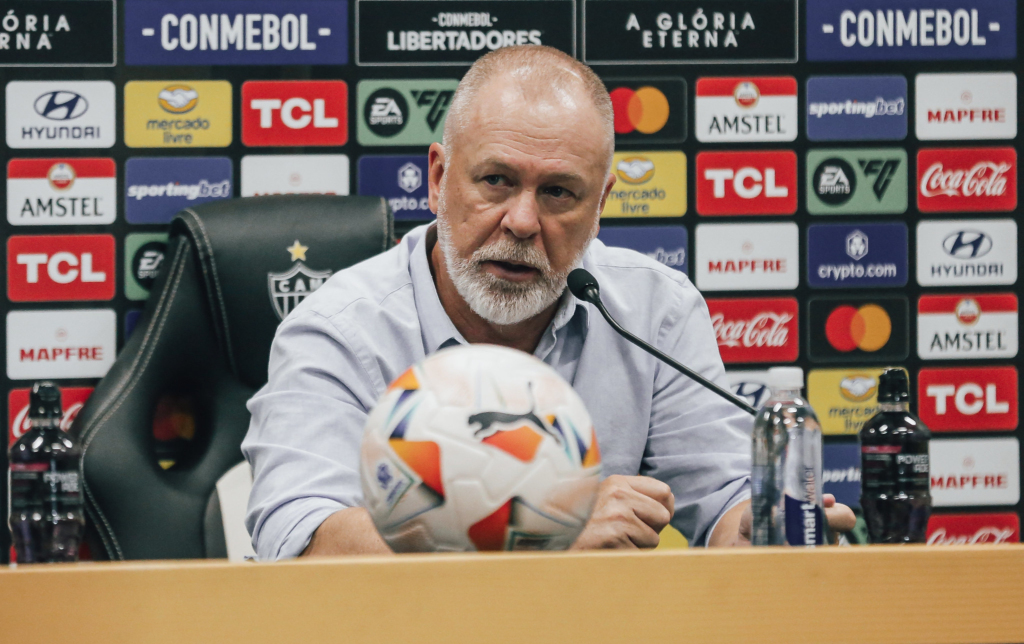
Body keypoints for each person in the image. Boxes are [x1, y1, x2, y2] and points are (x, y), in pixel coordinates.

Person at [242, 45, 855, 560]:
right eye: (496, 181)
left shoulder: (653, 311)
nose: (523, 221)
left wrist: (760, 530)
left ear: (601, 204)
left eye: (559, 192)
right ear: (436, 179)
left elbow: (723, 502)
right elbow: (303, 542)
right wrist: (536, 529)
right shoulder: (338, 329)